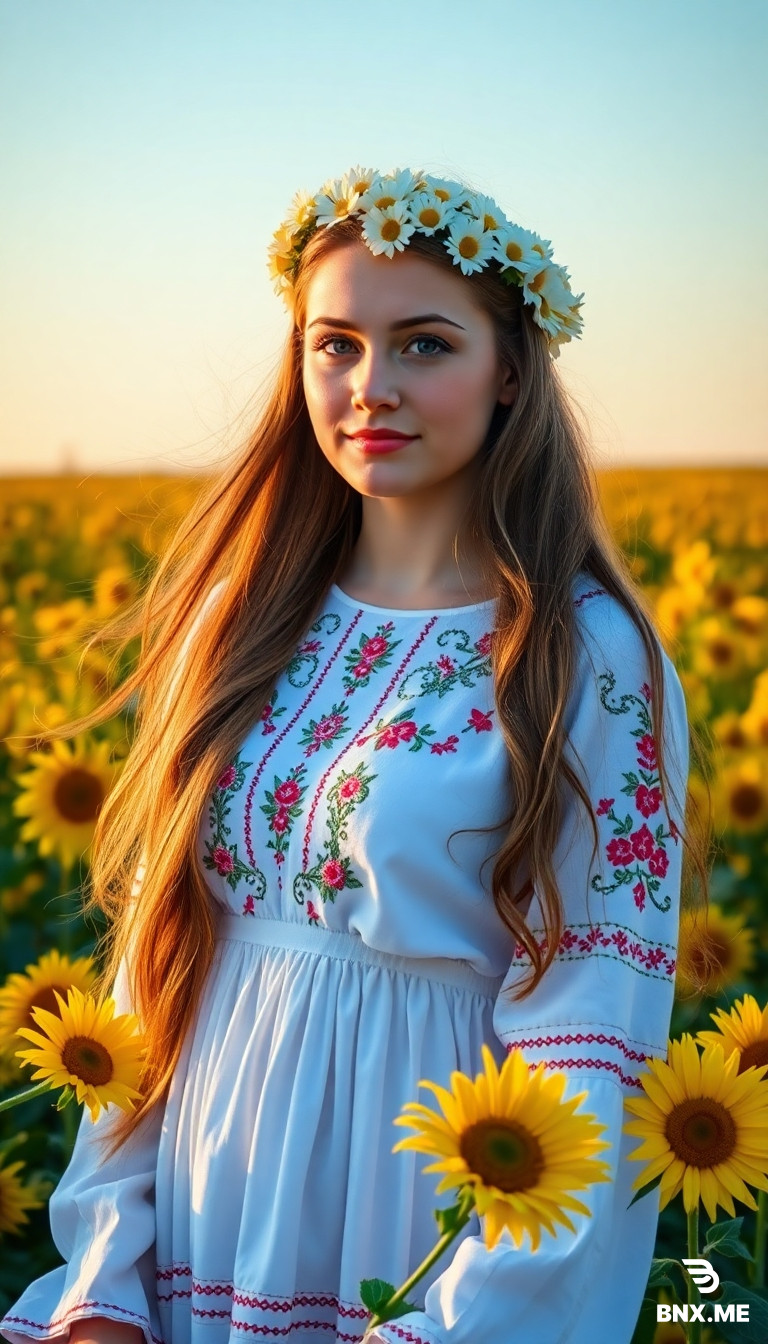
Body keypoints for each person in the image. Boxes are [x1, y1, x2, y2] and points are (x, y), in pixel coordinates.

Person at [1, 166, 699, 1344]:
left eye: (425, 344)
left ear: (513, 368)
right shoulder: (240, 611)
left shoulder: (586, 653)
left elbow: (595, 1040)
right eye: (336, 344)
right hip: (204, 1206)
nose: (371, 386)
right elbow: (155, 971)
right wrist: (105, 1276)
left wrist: (460, 1322)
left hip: (422, 1218)